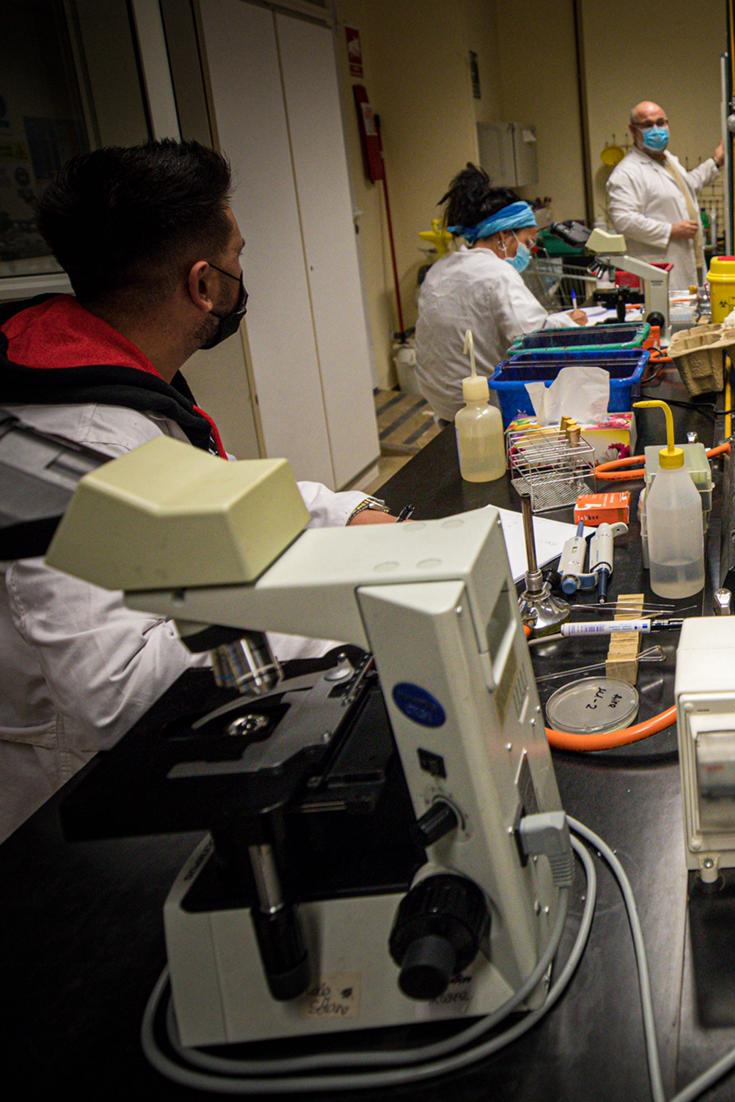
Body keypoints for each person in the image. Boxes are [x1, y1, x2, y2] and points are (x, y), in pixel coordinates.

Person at [0, 139, 397, 841]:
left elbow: (216, 491)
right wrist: (352, 595)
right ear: (205, 283)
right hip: (72, 818)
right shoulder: (59, 445)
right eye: (238, 256)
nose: (244, 273)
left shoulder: (92, 373)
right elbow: (116, 692)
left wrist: (349, 511)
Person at [414, 164, 583, 421]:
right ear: (505, 235)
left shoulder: (439, 269)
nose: (529, 249)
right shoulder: (496, 273)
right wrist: (571, 321)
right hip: (488, 409)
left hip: (444, 406)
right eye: (527, 240)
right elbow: (532, 338)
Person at [605, 100, 724, 292]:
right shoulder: (627, 173)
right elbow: (623, 220)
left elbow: (687, 186)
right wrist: (670, 230)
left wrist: (716, 162)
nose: (656, 129)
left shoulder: (667, 160)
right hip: (658, 268)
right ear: (633, 129)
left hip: (687, 260)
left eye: (661, 123)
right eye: (647, 125)